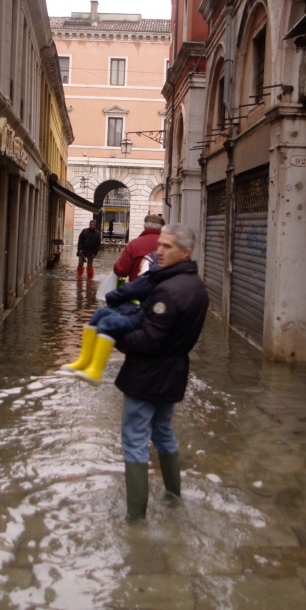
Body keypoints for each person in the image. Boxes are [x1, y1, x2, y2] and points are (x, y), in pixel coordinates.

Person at [115, 223, 207, 523]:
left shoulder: (168, 290)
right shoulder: (196, 286)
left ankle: (135, 520)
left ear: (185, 253)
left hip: (147, 376)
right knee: (163, 431)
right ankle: (173, 498)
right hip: (174, 373)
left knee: (134, 439)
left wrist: (117, 336)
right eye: (160, 244)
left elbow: (150, 339)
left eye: (167, 246)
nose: (160, 250)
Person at [60, 254, 158, 384]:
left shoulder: (151, 275)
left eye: (141, 269)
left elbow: (127, 287)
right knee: (99, 313)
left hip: (145, 316)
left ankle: (95, 369)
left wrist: (111, 298)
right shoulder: (155, 269)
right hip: (140, 310)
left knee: (108, 323)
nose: (139, 273)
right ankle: (84, 360)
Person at [113, 214, 165, 282]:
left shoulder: (133, 244)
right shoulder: (169, 245)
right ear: (162, 228)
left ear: (145, 227)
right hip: (163, 287)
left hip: (138, 286)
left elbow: (121, 270)